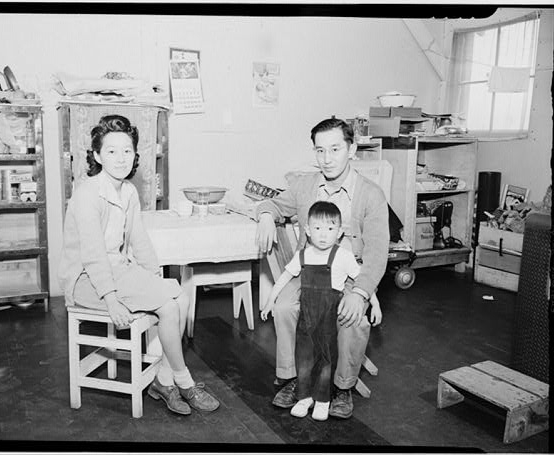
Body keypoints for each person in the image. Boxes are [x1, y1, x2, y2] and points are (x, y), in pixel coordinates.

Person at [58, 115, 220, 416]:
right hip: (86, 280)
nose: (121, 158)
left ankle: (163, 380)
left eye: (127, 151)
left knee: (180, 298)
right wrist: (110, 299)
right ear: (97, 156)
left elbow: (139, 240)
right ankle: (183, 382)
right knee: (169, 305)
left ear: (135, 155)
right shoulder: (87, 194)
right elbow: (93, 254)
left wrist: (154, 278)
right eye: (111, 151)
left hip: (117, 270)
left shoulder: (128, 191)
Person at [255, 117, 389, 419]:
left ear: (351, 150)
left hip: (349, 276)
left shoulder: (371, 194)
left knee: (353, 317)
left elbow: (378, 253)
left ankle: (342, 386)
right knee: (285, 306)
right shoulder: (304, 185)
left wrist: (361, 293)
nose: (327, 159)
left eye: (335, 149)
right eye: (320, 151)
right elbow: (272, 204)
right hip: (310, 272)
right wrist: (265, 215)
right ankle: (293, 378)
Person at [261, 201, 382, 421]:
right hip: (307, 318)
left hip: (328, 316)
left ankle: (323, 400)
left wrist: (376, 304)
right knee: (305, 356)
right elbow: (284, 278)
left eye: (330, 228)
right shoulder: (303, 256)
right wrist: (270, 300)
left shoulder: (343, 256)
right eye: (317, 228)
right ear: (307, 230)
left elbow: (362, 280)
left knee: (326, 358)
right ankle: (304, 397)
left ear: (339, 232)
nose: (323, 235)